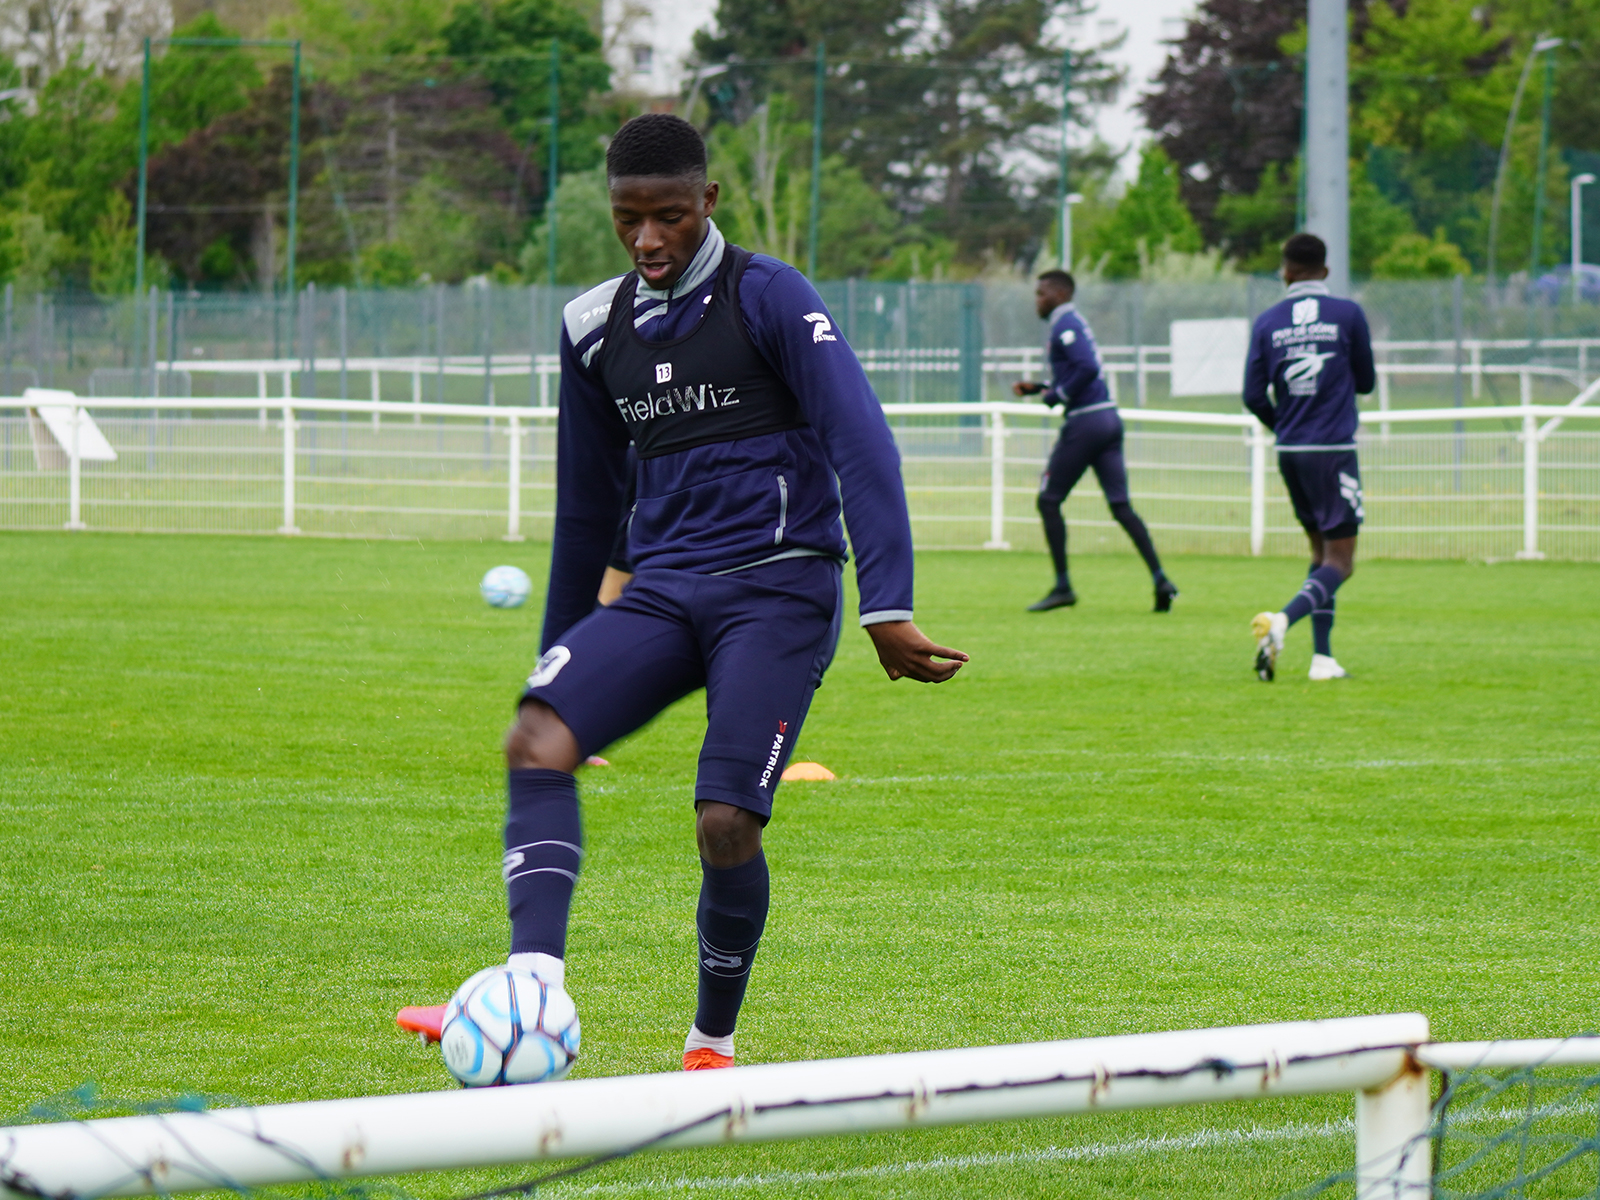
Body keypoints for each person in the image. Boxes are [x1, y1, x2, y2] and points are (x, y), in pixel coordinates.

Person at [410, 113, 968, 1075]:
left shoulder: (770, 296)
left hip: (780, 587)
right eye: (630, 220)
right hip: (665, 591)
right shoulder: (592, 327)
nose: (649, 240)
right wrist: (561, 659)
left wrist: (887, 607)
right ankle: (531, 983)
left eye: (669, 216)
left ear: (708, 201)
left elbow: (860, 440)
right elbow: (586, 508)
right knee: (537, 737)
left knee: (724, 820)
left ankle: (711, 1041)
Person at [1242, 233, 1376, 682]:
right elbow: (1366, 382)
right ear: (1325, 270)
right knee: (1342, 560)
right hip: (1333, 449)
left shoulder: (1266, 322)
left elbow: (1251, 395)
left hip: (1291, 451)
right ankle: (1281, 623)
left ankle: (1323, 658)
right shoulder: (1348, 314)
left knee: (1320, 553)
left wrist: (1286, 423)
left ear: (1285, 271)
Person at [1012, 270, 1177, 613]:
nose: (1037, 300)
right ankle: (1161, 579)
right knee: (1120, 506)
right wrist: (1043, 388)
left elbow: (1085, 368)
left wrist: (1058, 395)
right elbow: (1081, 370)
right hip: (1107, 419)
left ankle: (1063, 587)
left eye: (1041, 293)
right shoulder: (1072, 323)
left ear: (1059, 294)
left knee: (1048, 500)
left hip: (1086, 423)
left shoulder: (1064, 323)